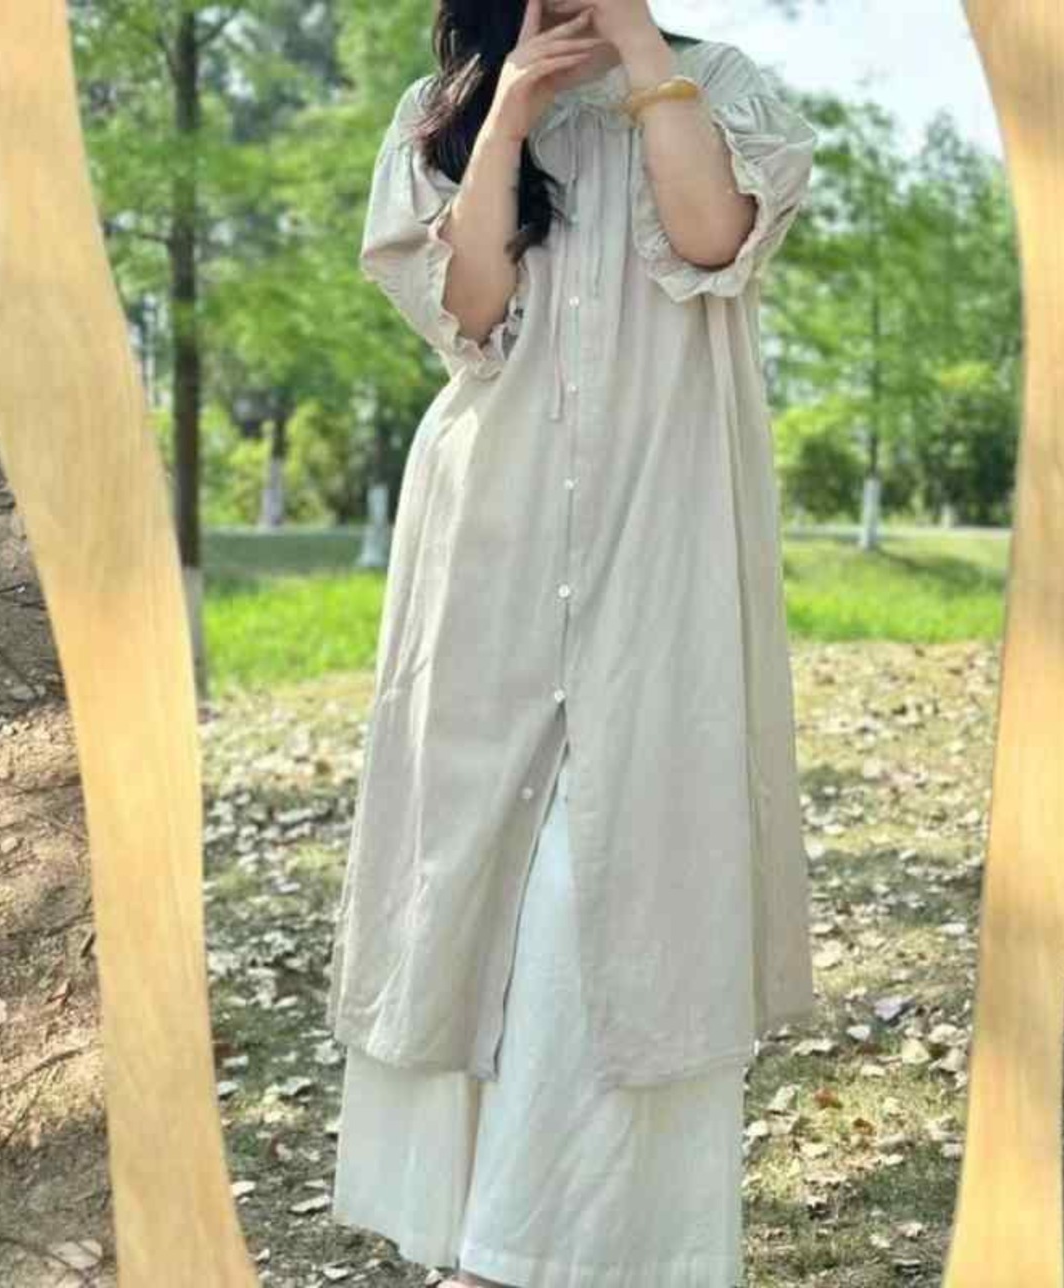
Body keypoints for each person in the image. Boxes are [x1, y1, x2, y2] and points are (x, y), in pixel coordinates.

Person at [328, 2, 820, 1284]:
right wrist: (505, 120)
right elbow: (468, 311)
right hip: (489, 536)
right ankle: (475, 1235)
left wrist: (642, 57)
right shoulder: (447, 107)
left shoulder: (724, 86)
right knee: (476, 877)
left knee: (620, 883)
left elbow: (712, 238)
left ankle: (575, 1244)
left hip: (661, 532)